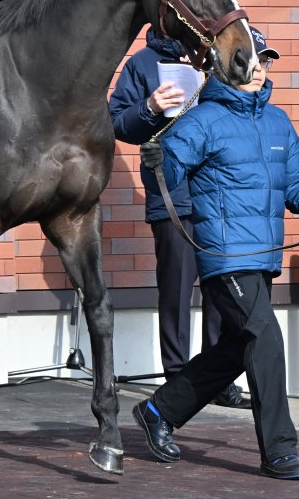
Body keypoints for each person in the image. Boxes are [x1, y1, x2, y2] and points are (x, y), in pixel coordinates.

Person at [131, 27, 299, 480]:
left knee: (235, 348)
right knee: (265, 337)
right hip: (225, 255)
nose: (259, 67)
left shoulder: (278, 122)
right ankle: (280, 451)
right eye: (250, 59)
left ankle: (159, 411)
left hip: (262, 256)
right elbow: (164, 175)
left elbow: (295, 188)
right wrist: (155, 162)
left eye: (264, 60)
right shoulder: (201, 120)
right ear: (224, 65)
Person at [109, 27, 251, 409]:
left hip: (219, 195)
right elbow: (116, 121)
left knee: (222, 291)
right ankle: (177, 381)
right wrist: (150, 107)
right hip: (173, 196)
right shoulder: (142, 64)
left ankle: (217, 379)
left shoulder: (217, 56)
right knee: (176, 292)